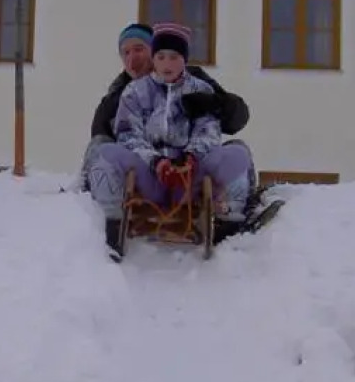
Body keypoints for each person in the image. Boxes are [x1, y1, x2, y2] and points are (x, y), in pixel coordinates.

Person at [86, 23, 257, 258]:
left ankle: (232, 223)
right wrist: (155, 161)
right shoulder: (130, 91)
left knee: (239, 153)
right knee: (103, 150)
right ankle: (110, 223)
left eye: (139, 49)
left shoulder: (198, 85)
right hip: (148, 172)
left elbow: (213, 129)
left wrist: (192, 156)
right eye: (126, 52)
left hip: (190, 176)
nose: (167, 63)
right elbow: (125, 134)